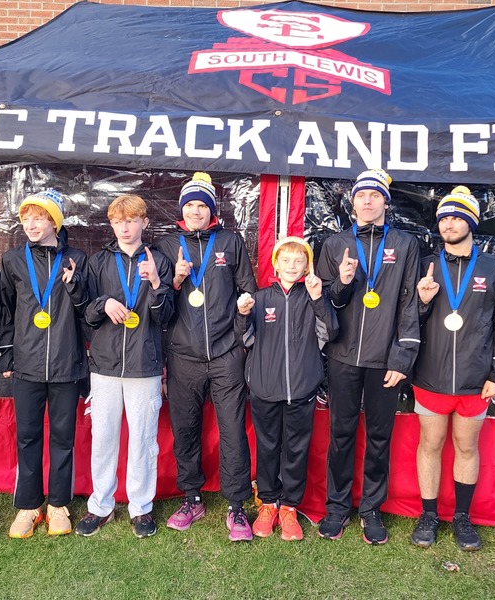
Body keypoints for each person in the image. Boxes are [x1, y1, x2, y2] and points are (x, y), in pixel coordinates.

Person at [314, 168, 421, 543]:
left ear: (385, 202)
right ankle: (337, 508)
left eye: (375, 196)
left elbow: (410, 304)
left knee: (379, 436)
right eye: (361, 195)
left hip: (385, 359)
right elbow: (325, 303)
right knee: (340, 434)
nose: (367, 201)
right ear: (353, 201)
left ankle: (372, 510)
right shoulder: (333, 244)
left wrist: (402, 358)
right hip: (343, 355)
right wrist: (343, 281)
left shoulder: (406, 245)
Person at [410, 186, 495, 551]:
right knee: (430, 444)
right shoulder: (425, 264)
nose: (448, 224)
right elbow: (408, 320)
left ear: (470, 221)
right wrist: (423, 302)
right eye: (443, 218)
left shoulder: (494, 268)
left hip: (475, 380)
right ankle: (428, 515)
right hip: (430, 377)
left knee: (466, 447)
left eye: (456, 217)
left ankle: (462, 518)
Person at [155, 172, 258, 542]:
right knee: (185, 429)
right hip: (183, 356)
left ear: (211, 209)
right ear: (181, 209)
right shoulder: (167, 245)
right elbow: (160, 306)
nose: (196, 211)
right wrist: (178, 281)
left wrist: (245, 310)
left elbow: (248, 288)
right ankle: (192, 497)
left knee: (233, 430)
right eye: (190, 205)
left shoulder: (230, 241)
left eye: (202, 205)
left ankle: (237, 506)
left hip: (227, 354)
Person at [73, 194, 174, 539]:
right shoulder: (99, 261)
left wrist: (158, 284)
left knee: (144, 440)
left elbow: (169, 317)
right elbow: (86, 312)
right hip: (104, 365)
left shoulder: (159, 259)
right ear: (111, 224)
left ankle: (140, 507)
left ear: (145, 223)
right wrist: (105, 303)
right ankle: (100, 504)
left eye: (132, 220)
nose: (125, 227)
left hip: (145, 365)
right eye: (118, 221)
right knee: (103, 437)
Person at [0, 189, 89, 539]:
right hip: (27, 365)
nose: (31, 224)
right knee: (28, 436)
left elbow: (88, 313)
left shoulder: (76, 259)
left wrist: (76, 285)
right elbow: (5, 311)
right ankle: (28, 505)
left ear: (54, 221)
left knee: (63, 437)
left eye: (39, 218)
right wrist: (7, 353)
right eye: (26, 218)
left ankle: (58, 504)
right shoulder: (13, 260)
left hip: (66, 364)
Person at [235, 237, 338, 541]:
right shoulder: (259, 297)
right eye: (287, 261)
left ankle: (289, 507)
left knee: (295, 450)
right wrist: (242, 314)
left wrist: (319, 299)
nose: (292, 266)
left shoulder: (314, 296)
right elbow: (244, 339)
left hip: (302, 390)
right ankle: (268, 503)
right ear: (275, 264)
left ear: (308, 266)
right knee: (267, 448)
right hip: (265, 389)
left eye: (299, 261)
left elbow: (331, 332)